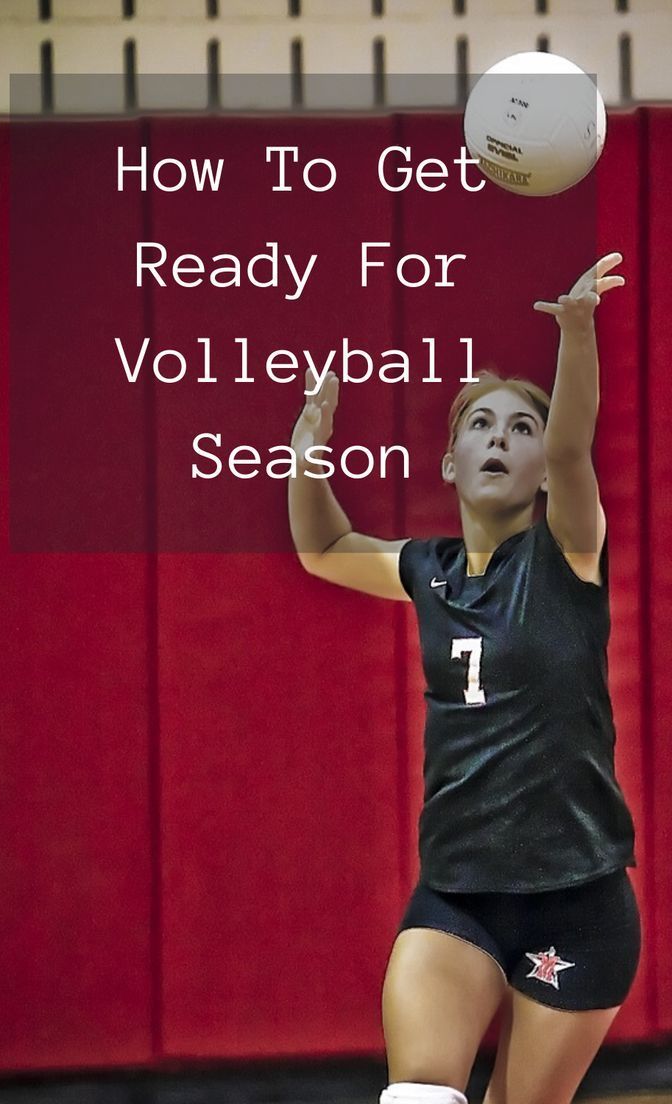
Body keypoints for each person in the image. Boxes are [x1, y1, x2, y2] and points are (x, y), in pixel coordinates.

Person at [287, 253, 640, 1104]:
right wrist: (307, 454)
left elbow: (573, 440)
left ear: (544, 469)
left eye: (522, 430)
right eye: (481, 425)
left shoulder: (567, 556)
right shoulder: (429, 570)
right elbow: (325, 549)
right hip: (459, 893)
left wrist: (577, 331)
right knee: (416, 1097)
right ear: (450, 464)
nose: (503, 440)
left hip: (578, 902)